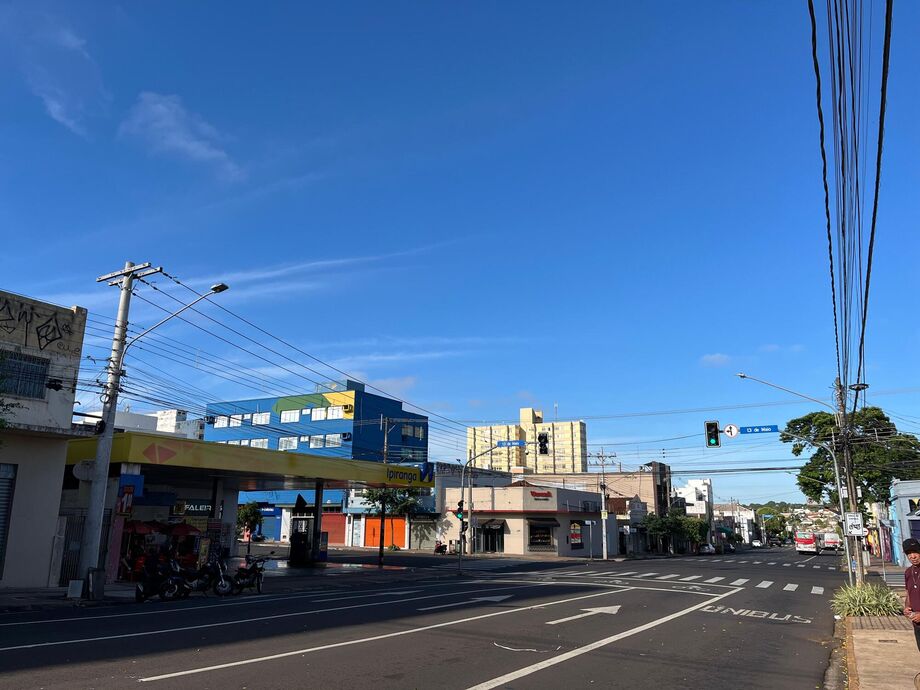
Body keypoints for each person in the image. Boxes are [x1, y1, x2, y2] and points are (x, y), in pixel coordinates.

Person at [902, 537, 920, 652]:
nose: (912, 556)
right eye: (909, 553)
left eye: (915, 552)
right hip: (916, 622)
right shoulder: (908, 572)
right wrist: (906, 608)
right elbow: (909, 592)